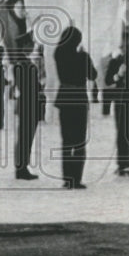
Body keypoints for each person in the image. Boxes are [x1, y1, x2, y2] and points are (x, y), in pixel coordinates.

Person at [53, 25, 91, 189]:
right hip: (79, 99)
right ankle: (77, 177)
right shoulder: (82, 57)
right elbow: (93, 74)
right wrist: (85, 55)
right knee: (80, 141)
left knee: (67, 141)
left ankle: (67, 178)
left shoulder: (58, 54)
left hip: (65, 98)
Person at [14, 47, 42, 180]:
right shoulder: (25, 65)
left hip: (26, 103)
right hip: (29, 104)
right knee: (25, 138)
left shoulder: (22, 65)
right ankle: (22, 168)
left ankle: (22, 166)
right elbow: (30, 86)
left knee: (25, 138)